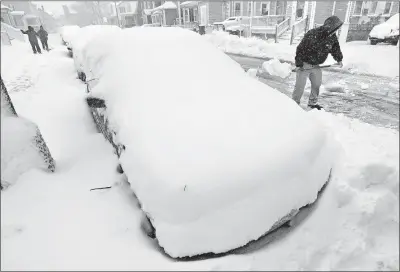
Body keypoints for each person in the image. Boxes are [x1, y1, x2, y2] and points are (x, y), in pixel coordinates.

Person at [292, 16, 344, 110]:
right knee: (300, 87)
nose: (337, 29)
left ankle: (312, 103)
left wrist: (339, 59)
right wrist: (299, 64)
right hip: (305, 64)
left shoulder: (332, 37)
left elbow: (335, 48)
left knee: (316, 85)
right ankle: (294, 103)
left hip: (316, 65)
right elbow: (300, 48)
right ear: (330, 26)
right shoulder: (313, 33)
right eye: (336, 27)